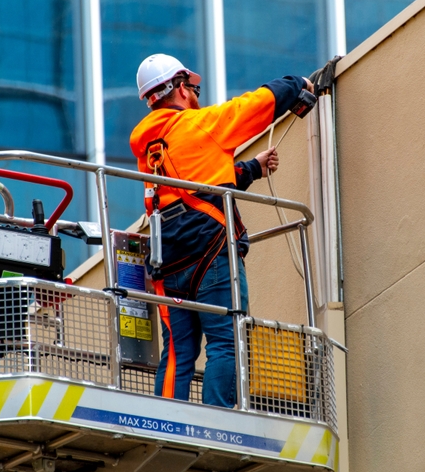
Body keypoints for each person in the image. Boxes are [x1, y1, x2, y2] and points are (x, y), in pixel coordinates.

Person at [129, 53, 313, 408]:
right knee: (226, 342)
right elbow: (256, 105)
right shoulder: (201, 124)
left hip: (168, 261)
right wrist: (298, 84)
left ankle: (167, 422)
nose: (197, 95)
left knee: (178, 351)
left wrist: (251, 169)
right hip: (210, 252)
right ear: (181, 88)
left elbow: (197, 184)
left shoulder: (149, 148)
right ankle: (217, 421)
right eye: (193, 88)